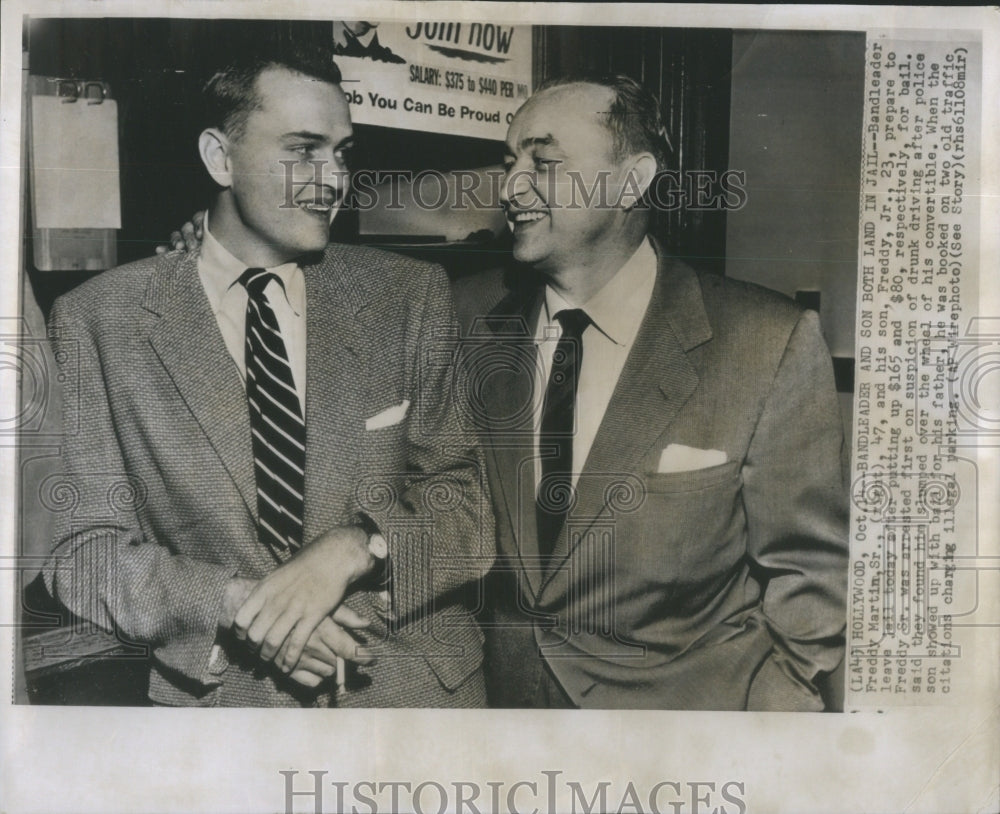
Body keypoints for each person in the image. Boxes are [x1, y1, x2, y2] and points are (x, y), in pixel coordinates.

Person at [43, 47, 491, 707]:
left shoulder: (409, 295)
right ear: (220, 158)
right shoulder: (98, 321)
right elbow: (81, 553)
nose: (332, 179)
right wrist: (242, 607)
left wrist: (359, 547)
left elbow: (472, 511)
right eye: (304, 149)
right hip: (230, 710)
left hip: (410, 700)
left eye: (341, 152)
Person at [470, 74, 849, 710]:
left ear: (631, 178)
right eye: (509, 163)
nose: (510, 186)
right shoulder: (468, 317)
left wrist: (769, 716)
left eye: (543, 161)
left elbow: (812, 574)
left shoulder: (765, 341)